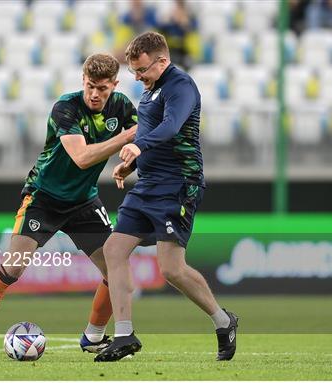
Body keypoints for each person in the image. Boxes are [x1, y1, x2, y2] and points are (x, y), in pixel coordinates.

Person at [0, 53, 138, 359]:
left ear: (114, 84)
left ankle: (94, 336)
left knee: (117, 269)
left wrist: (131, 160)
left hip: (84, 201)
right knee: (13, 267)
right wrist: (126, 138)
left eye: (102, 88)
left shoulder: (124, 107)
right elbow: (83, 157)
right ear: (82, 81)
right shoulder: (66, 107)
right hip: (43, 197)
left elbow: (141, 143)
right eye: (90, 86)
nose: (95, 94)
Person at [94, 32, 238, 363]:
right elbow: (149, 136)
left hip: (178, 185)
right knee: (114, 249)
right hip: (147, 185)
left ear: (162, 60)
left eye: (142, 69)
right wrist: (131, 164)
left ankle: (223, 320)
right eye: (133, 71)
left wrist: (138, 146)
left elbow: (172, 126)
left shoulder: (180, 86)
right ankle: (124, 334)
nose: (137, 77)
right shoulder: (150, 91)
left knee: (171, 269)